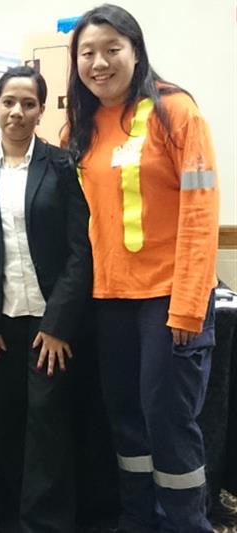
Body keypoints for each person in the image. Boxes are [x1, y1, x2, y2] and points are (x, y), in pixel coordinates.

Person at [66, 5, 219, 531]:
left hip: (169, 299)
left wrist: (189, 302)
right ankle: (138, 522)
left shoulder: (176, 111)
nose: (99, 62)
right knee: (126, 425)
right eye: (87, 52)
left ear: (136, 51)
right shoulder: (82, 126)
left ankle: (186, 525)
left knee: (169, 424)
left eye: (112, 49)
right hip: (111, 302)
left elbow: (201, 213)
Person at [0, 66, 92, 532]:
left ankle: (46, 524)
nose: (16, 112)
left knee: (47, 424)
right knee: (3, 420)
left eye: (27, 103)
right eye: (8, 102)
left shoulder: (61, 165)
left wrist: (57, 325)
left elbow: (80, 251)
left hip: (49, 323)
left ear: (40, 111)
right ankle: (7, 516)